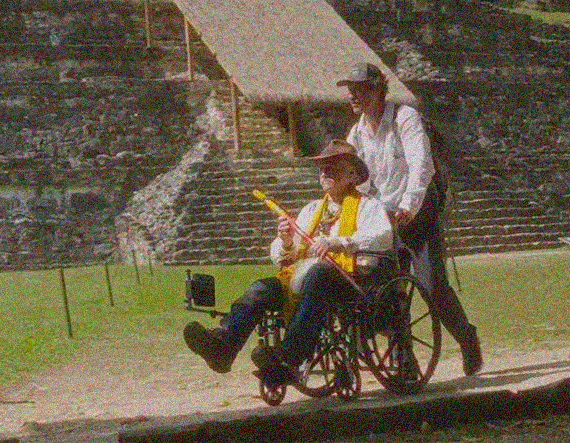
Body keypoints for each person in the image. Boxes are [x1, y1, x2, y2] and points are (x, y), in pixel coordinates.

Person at [182, 139, 393, 383]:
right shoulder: (312, 210)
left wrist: (340, 242)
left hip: (350, 280)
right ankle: (223, 346)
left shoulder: (368, 207)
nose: (325, 173)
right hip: (304, 276)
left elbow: (382, 236)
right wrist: (286, 241)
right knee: (262, 288)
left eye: (333, 167)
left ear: (352, 174)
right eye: (323, 168)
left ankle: (289, 355)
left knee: (319, 274)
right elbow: (281, 255)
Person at [339, 62, 483, 376]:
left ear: (378, 89)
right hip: (384, 220)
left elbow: (421, 167)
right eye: (350, 90)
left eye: (359, 89)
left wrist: (408, 206)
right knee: (389, 291)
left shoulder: (405, 118)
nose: (352, 96)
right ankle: (404, 361)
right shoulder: (357, 132)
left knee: (432, 287)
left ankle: (467, 338)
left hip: (417, 216)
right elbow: (358, 179)